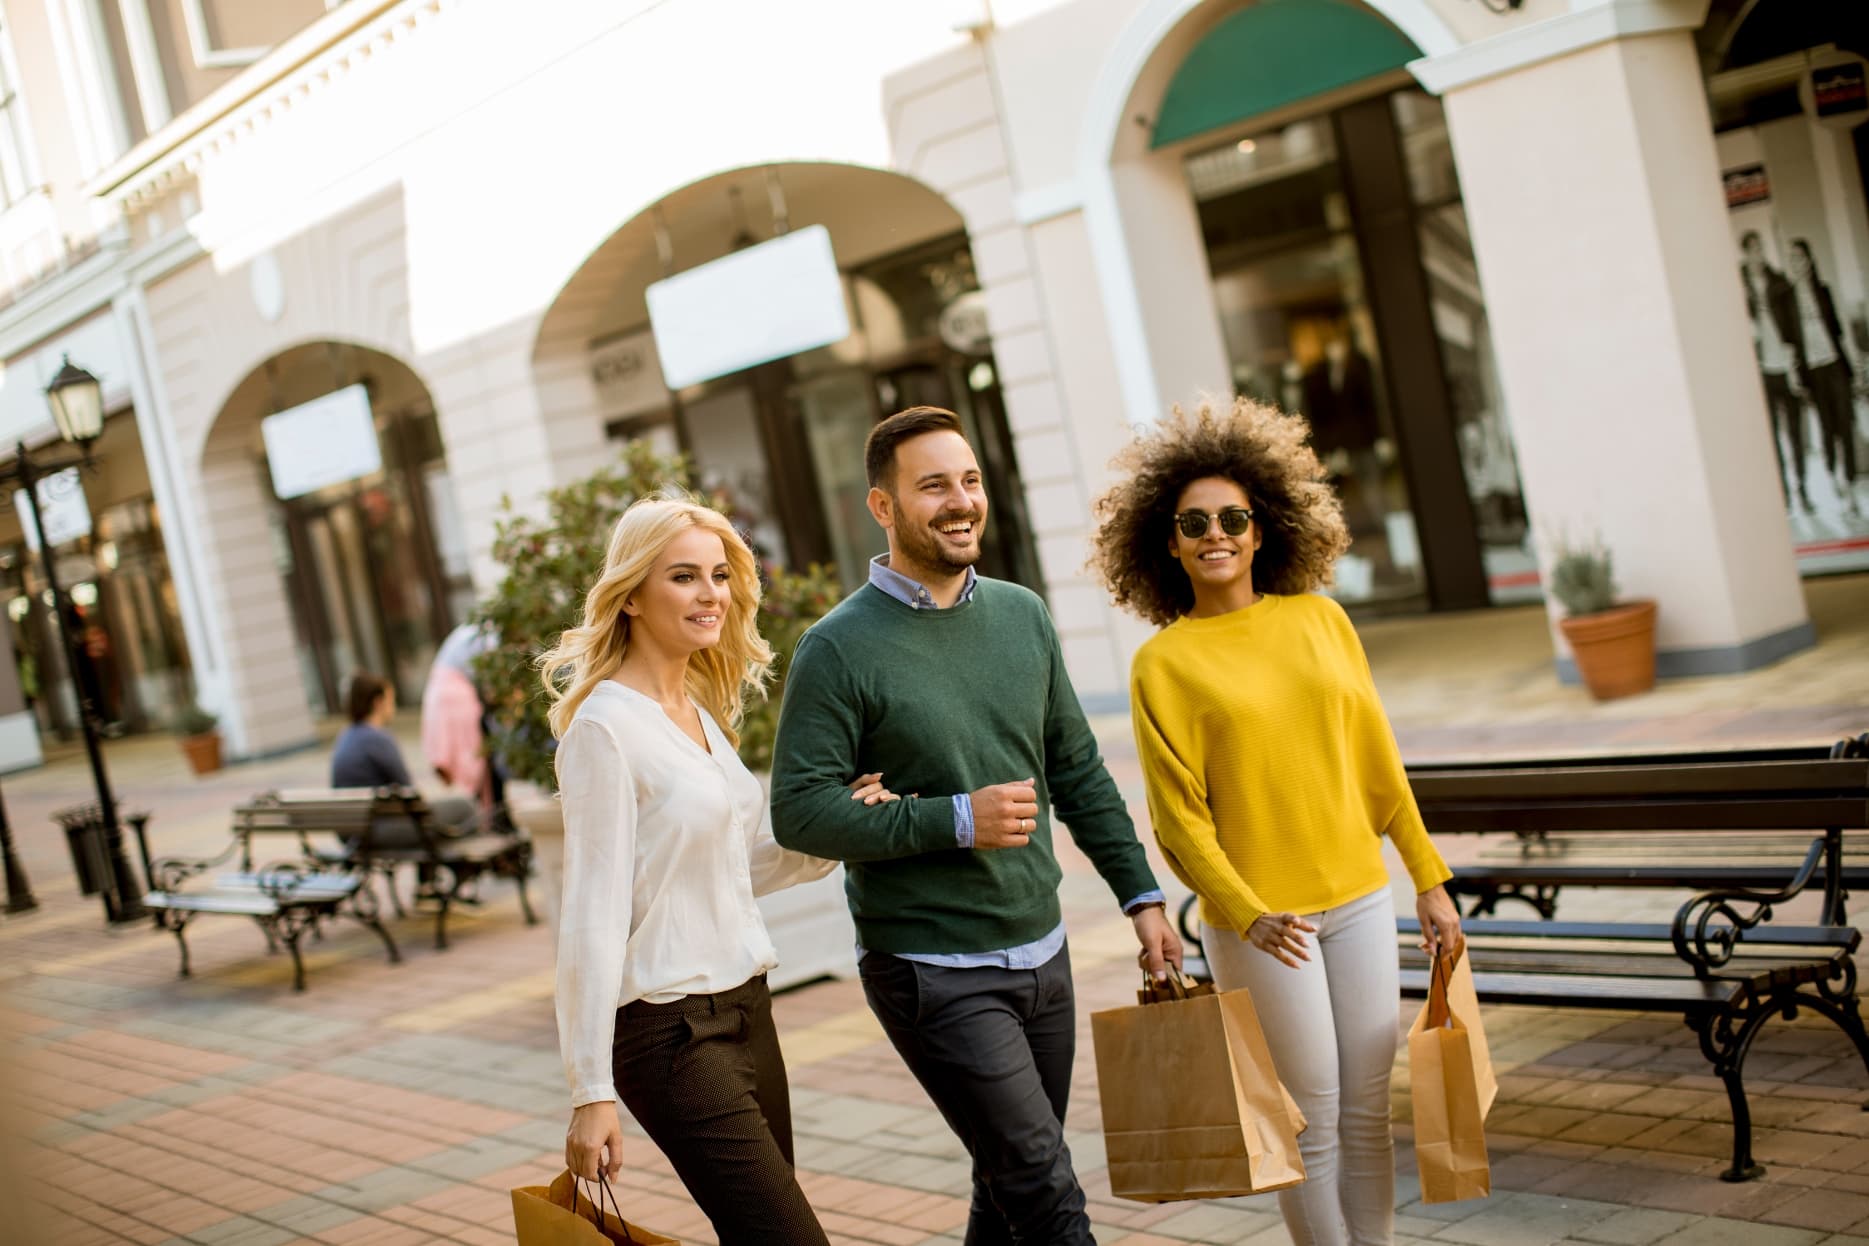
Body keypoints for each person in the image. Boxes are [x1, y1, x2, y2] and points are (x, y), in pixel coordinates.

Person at [769, 406, 1183, 1246]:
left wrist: (1140, 895)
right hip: (929, 967)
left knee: (1006, 1189)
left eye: (969, 481)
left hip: (1042, 950)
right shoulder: (838, 648)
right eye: (932, 487)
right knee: (1045, 1190)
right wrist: (955, 818)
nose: (960, 502)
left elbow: (1074, 768)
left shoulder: (1021, 614)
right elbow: (799, 808)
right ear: (882, 507)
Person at [1089, 397, 1462, 1246]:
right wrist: (1247, 912)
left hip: (1360, 897)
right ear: (1169, 543)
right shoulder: (1163, 663)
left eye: (1231, 518)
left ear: (1262, 529)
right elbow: (1177, 821)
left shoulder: (1322, 620)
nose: (1214, 534)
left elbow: (1378, 763)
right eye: (1193, 523)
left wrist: (1428, 878)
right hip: (1264, 924)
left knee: (1369, 1107)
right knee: (1312, 1118)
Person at [544, 491, 895, 1246]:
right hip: (669, 1032)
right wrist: (589, 1091)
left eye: (719, 574)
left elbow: (726, 868)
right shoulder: (603, 729)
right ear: (632, 594)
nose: (711, 594)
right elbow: (591, 917)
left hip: (746, 1011)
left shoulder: (698, 715)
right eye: (683, 576)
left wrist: (834, 827)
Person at [332, 673, 480, 888]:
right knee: (464, 807)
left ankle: (430, 882)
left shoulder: (345, 737)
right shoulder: (377, 738)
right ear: (378, 702)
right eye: (391, 700)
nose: (393, 706)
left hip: (351, 834)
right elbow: (409, 792)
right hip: (376, 831)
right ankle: (442, 880)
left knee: (430, 816)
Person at [1782, 239, 1861, 515]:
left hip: (1835, 365)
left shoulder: (1823, 291)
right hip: (1812, 371)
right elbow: (1790, 343)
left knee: (1845, 423)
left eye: (1801, 258)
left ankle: (1849, 484)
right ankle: (1833, 477)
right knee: (1827, 428)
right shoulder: (1787, 298)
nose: (1797, 264)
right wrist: (1794, 374)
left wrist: (1856, 366)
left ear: (1809, 261)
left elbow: (1839, 331)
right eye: (1792, 259)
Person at [1739, 231, 1811, 513]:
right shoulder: (1738, 286)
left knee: (1795, 434)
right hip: (1762, 372)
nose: (1757, 254)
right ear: (1745, 254)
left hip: (1784, 366)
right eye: (1752, 250)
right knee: (1772, 439)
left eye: (1760, 248)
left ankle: (1802, 491)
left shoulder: (1778, 282)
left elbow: (1793, 326)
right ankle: (1784, 497)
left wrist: (1796, 364)